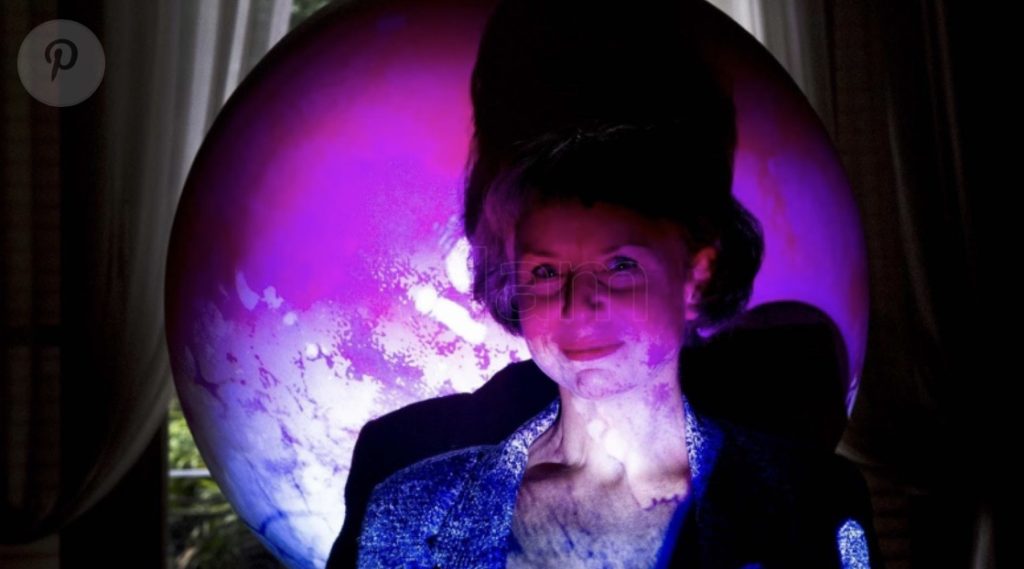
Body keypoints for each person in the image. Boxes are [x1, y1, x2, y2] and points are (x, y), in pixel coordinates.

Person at [346, 121, 882, 568]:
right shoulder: (412, 507)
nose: (578, 306)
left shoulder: (814, 503)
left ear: (696, 278)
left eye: (620, 265)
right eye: (545, 272)